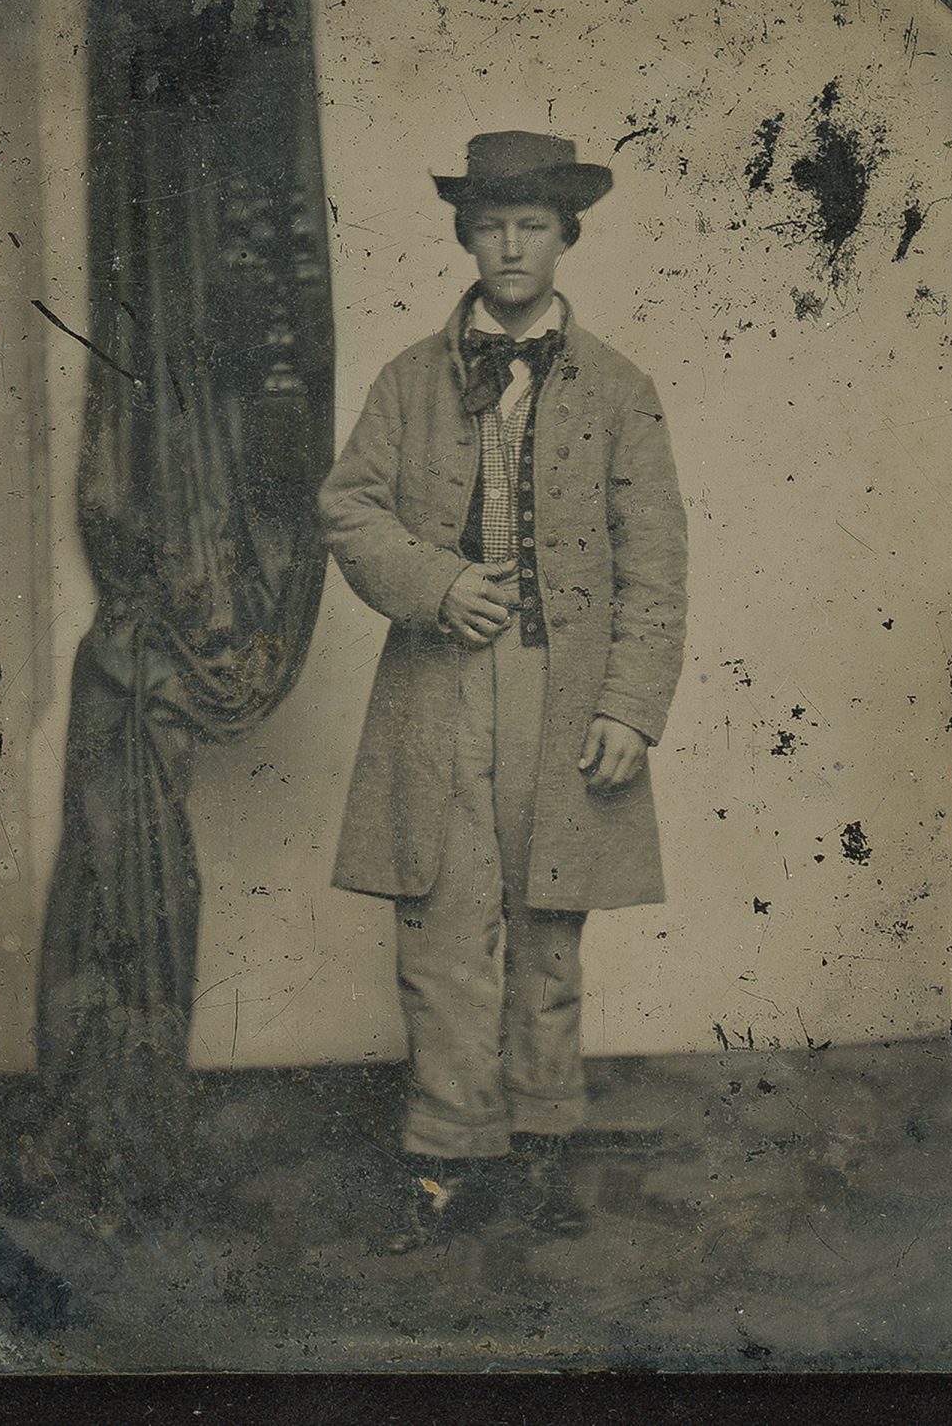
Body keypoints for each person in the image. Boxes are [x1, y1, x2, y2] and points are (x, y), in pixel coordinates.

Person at [319, 130, 688, 1252]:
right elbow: (349, 508)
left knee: (546, 928)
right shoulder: (407, 379)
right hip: (438, 690)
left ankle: (539, 1150)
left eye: (534, 225)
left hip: (565, 694)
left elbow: (655, 560)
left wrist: (629, 706)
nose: (513, 244)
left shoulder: (622, 388)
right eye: (492, 224)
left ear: (567, 236)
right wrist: (436, 586)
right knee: (440, 924)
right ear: (465, 235)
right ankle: (445, 1160)